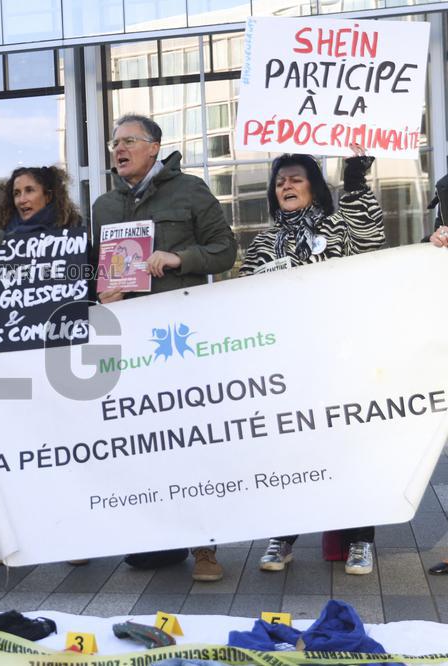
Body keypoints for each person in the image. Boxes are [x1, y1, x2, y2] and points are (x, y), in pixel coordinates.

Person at [92, 113, 237, 582]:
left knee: (190, 441)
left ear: (154, 146)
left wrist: (180, 258)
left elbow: (225, 249)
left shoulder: (190, 190)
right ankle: (155, 536)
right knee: (139, 444)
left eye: (129, 140)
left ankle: (205, 547)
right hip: (126, 341)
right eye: (115, 142)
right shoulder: (103, 205)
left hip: (179, 339)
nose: (119, 148)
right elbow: (96, 268)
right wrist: (102, 290)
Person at [239, 147, 384, 575]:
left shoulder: (338, 226)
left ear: (315, 188)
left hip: (340, 356)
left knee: (348, 450)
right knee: (290, 451)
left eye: (296, 178)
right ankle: (283, 537)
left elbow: (372, 239)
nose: (286, 185)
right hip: (286, 365)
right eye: (280, 180)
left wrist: (355, 180)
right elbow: (244, 299)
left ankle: (360, 540)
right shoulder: (264, 241)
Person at [0, 165, 89, 567]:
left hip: (64, 356)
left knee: (69, 449)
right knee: (27, 451)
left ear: (49, 195)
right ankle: (28, 534)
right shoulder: (2, 244)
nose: (22, 199)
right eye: (16, 192)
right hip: (20, 359)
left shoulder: (75, 237)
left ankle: (75, 536)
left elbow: (85, 292)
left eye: (29, 190)